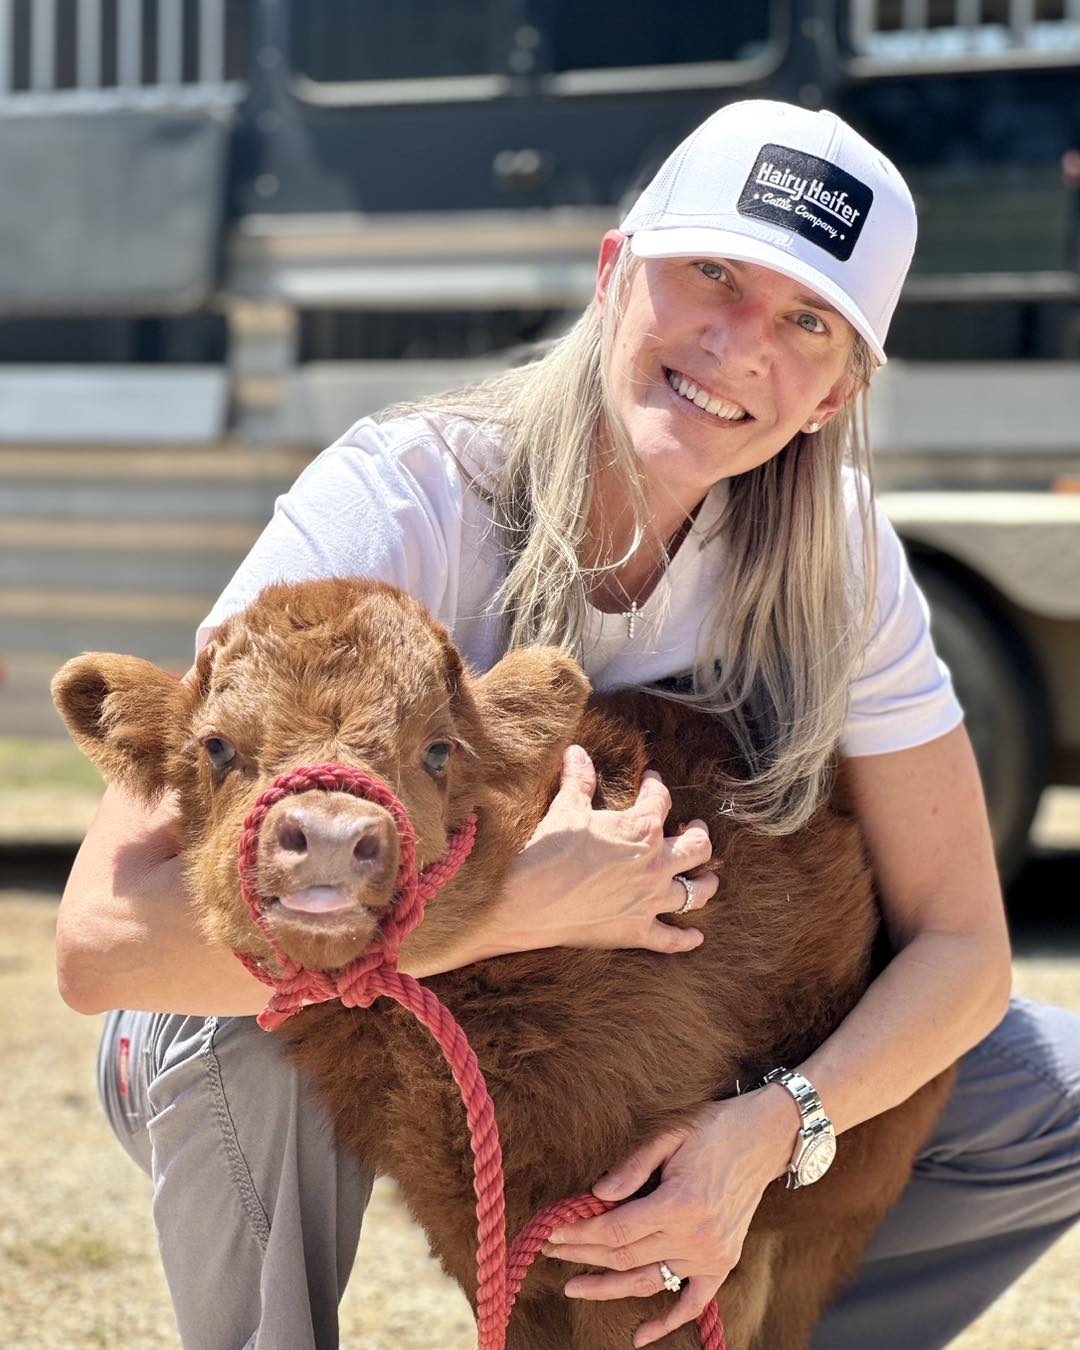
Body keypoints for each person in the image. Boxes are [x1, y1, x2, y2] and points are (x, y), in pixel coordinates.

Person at [57, 101, 1079, 1350]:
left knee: (1051, 1090)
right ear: (613, 275)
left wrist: (769, 1133)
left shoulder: (837, 557)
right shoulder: (408, 497)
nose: (738, 341)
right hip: (328, 996)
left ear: (835, 393)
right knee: (245, 1050)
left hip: (619, 1036)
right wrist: (513, 908)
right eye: (710, 272)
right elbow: (103, 941)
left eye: (807, 321)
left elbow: (967, 946)